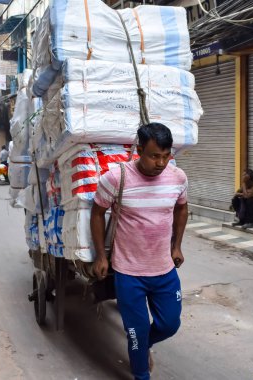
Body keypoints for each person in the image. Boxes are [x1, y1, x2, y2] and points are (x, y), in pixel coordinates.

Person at [90, 123, 188, 380]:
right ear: (139, 150)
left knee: (169, 324)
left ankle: (145, 345)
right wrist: (101, 256)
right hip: (128, 273)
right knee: (135, 332)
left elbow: (181, 208)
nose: (161, 162)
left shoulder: (178, 178)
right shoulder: (116, 178)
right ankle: (141, 373)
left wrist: (176, 245)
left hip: (164, 270)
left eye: (166, 156)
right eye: (154, 156)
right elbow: (97, 212)